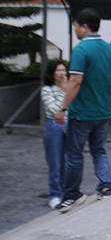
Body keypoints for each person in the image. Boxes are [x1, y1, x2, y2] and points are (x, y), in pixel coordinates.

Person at [54, 8, 111, 213]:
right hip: (102, 111)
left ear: (83, 26)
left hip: (82, 113)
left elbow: (75, 81)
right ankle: (105, 186)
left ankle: (72, 195)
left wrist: (63, 107)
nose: (75, 30)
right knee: (99, 150)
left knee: (74, 154)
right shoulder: (109, 49)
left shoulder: (81, 50)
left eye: (75, 27)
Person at [41, 59, 69, 210]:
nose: (61, 73)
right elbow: (55, 110)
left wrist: (66, 89)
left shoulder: (69, 88)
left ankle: (67, 192)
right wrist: (64, 95)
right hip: (55, 125)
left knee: (68, 161)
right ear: (52, 73)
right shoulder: (47, 89)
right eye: (58, 70)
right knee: (55, 162)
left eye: (63, 70)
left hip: (70, 125)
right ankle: (54, 195)